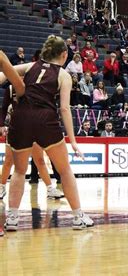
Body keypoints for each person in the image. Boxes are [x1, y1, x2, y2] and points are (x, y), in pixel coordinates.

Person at [0, 35, 93, 231]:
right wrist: (73, 140)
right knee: (65, 169)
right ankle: (78, 217)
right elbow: (65, 109)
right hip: (45, 119)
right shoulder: (63, 75)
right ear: (64, 54)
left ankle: (13, 219)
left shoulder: (31, 66)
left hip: (21, 117)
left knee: (18, 171)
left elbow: (4, 75)